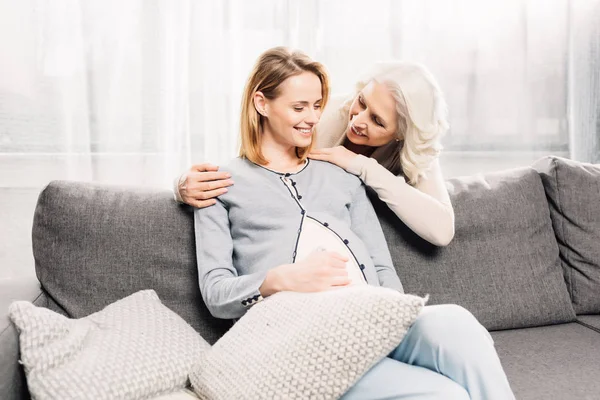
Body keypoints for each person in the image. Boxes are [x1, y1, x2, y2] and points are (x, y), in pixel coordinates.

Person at [194, 46, 515, 399]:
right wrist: (281, 279)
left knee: (458, 323)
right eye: (299, 108)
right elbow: (215, 293)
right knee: (446, 394)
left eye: (317, 106)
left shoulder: (343, 172)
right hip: (304, 336)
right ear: (262, 104)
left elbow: (382, 264)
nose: (313, 118)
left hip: (372, 319)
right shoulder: (219, 184)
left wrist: (391, 318)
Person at [176, 60, 454, 247]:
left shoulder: (415, 147)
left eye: (377, 121)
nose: (357, 120)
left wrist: (363, 166)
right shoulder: (322, 117)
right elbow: (250, 170)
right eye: (362, 102)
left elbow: (441, 231)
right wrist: (181, 186)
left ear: (401, 133)